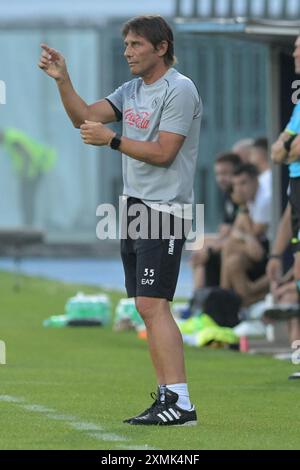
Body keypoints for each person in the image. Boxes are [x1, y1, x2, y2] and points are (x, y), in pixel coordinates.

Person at [38, 15, 202, 426]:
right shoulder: (131, 90)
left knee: (153, 303)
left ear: (161, 48)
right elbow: (84, 117)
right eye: (126, 44)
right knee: (146, 307)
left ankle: (180, 402)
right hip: (134, 207)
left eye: (135, 45)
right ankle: (169, 397)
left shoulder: (179, 90)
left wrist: (111, 139)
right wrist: (63, 80)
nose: (126, 51)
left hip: (165, 208)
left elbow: (165, 153)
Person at [271, 34, 300, 303]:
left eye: (299, 49)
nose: (295, 54)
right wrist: (289, 143)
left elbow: (291, 148)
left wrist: (288, 143)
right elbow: (277, 152)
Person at [221, 164, 271, 306]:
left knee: (229, 246)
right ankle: (228, 300)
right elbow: (236, 232)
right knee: (233, 262)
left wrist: (242, 207)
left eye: (243, 183)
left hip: (270, 251)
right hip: (259, 248)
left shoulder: (264, 200)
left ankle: (225, 299)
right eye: (235, 185)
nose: (238, 189)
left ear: (255, 181)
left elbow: (253, 235)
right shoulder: (251, 198)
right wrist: (245, 237)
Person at [191, 152, 241, 289]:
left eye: (225, 173)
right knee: (199, 242)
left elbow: (237, 230)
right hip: (231, 238)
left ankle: (203, 296)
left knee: (204, 251)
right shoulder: (227, 196)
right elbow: (225, 229)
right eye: (218, 174)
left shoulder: (241, 195)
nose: (221, 178)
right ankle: (198, 296)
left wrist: (215, 245)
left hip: (240, 242)